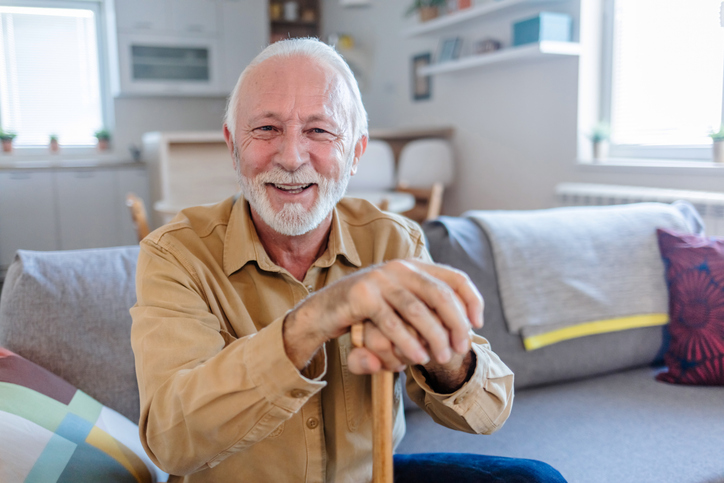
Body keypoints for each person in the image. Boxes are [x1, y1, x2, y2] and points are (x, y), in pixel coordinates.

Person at [130, 38, 566, 483]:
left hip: (367, 477)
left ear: (356, 152)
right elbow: (171, 442)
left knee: (536, 480)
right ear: (233, 146)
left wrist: (446, 359)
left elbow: (489, 413)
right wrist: (315, 319)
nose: (292, 157)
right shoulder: (175, 254)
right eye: (266, 129)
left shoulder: (394, 241)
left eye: (319, 130)